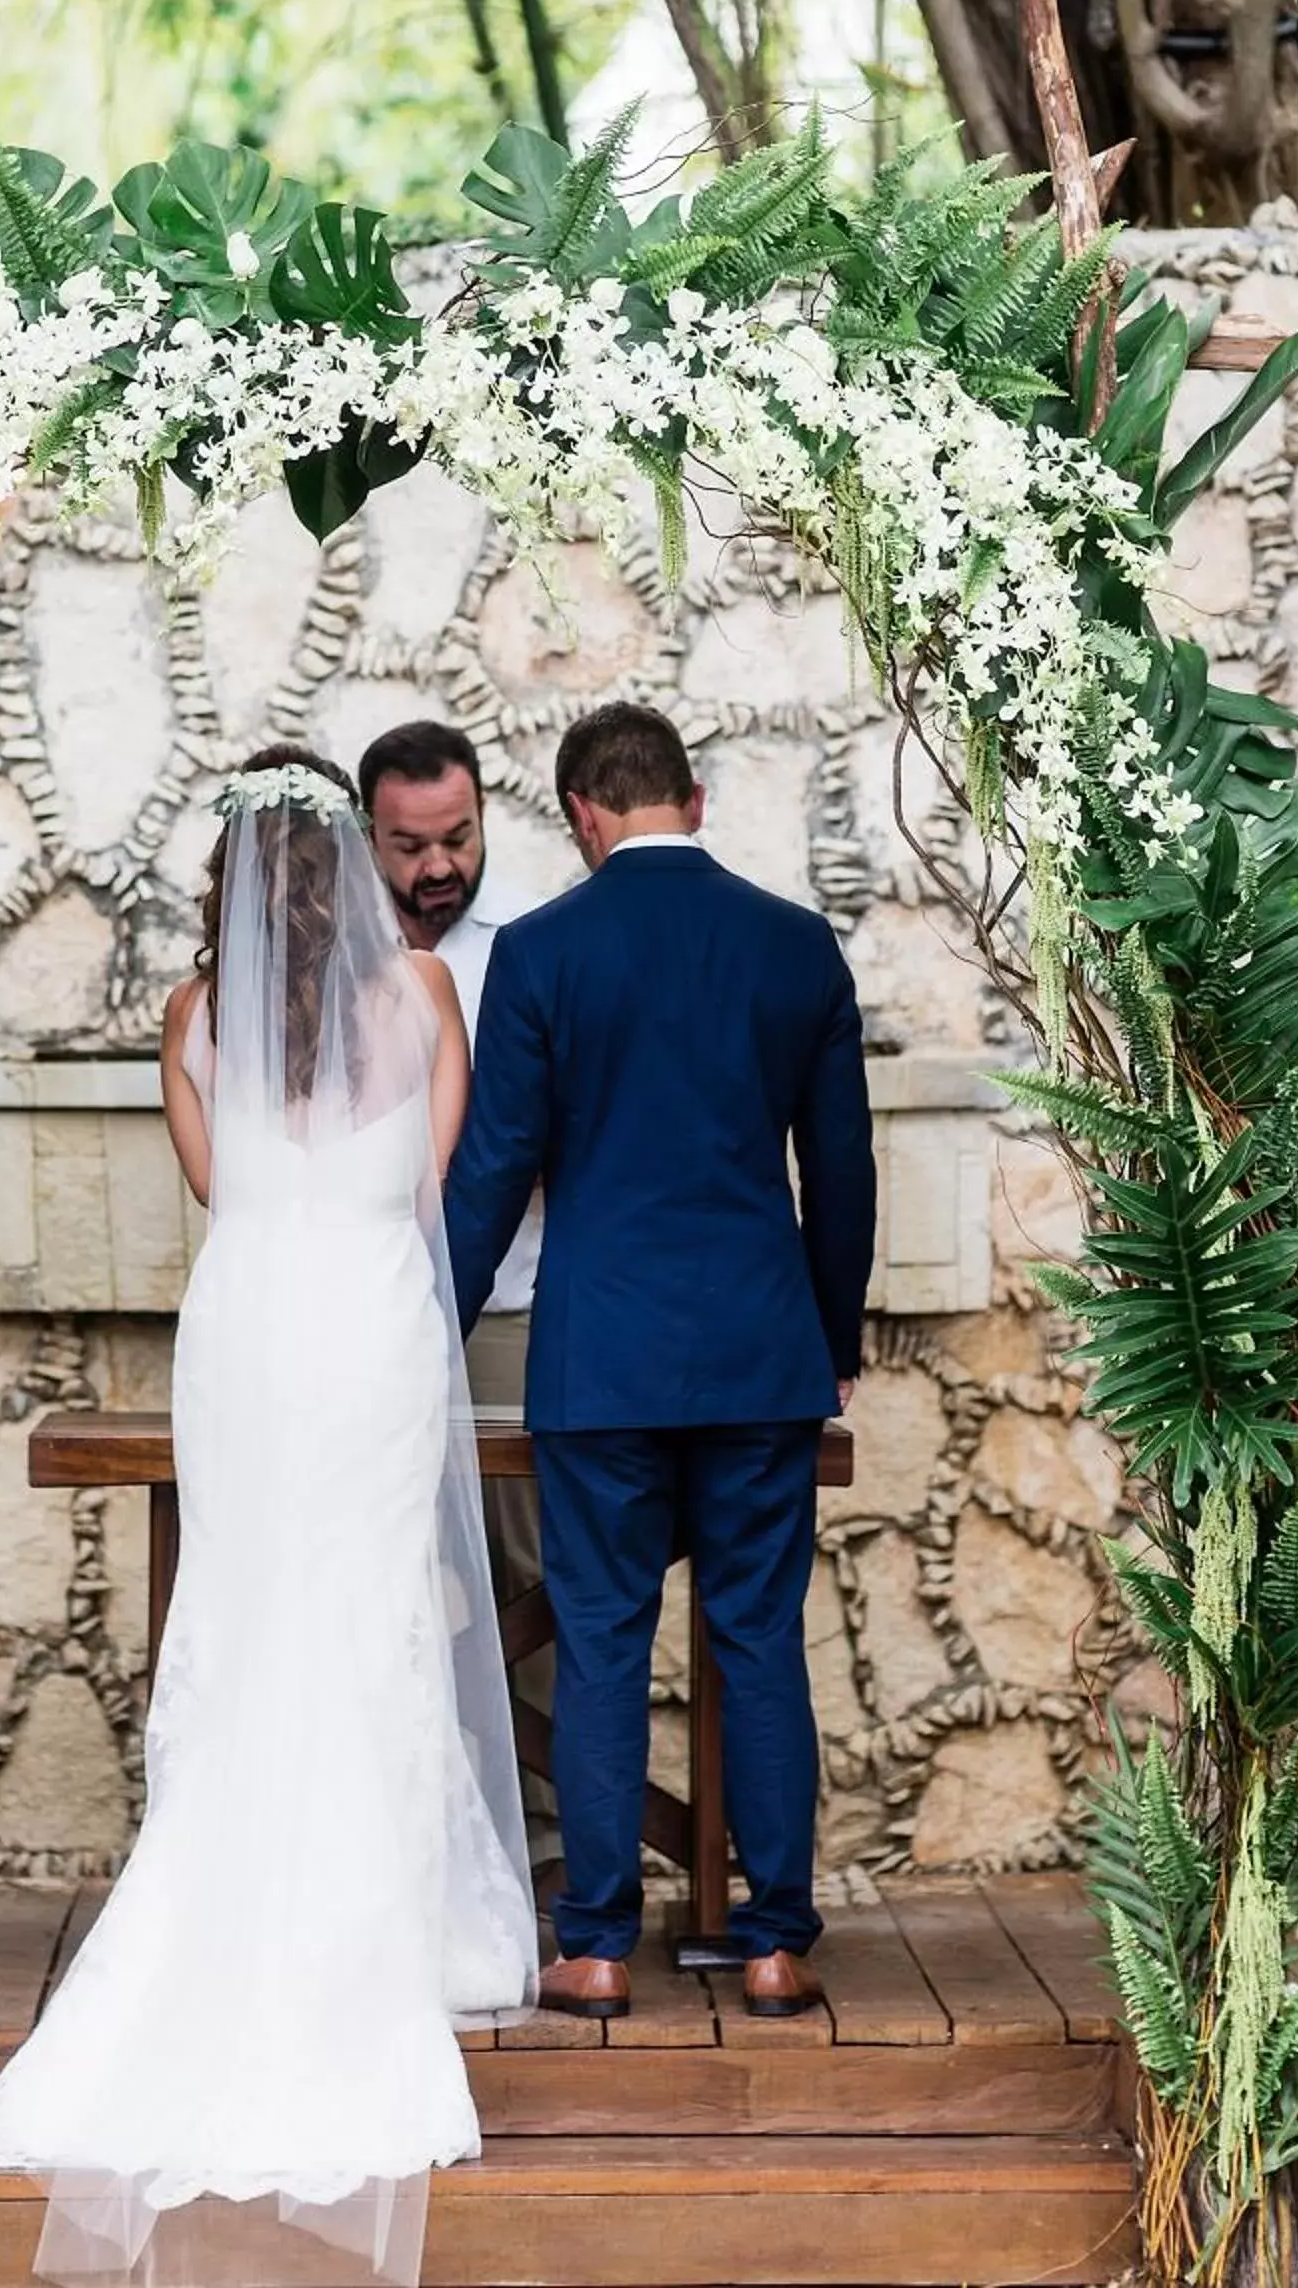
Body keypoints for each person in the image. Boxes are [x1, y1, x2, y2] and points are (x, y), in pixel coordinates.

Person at [0, 748, 536, 2287]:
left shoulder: (192, 1018)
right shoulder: (419, 998)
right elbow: (436, 1172)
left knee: (253, 1605)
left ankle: (219, 1891)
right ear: (351, 870)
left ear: (226, 884)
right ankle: (384, 1931)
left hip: (249, 1331)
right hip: (365, 1327)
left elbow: (216, 1187)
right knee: (370, 1605)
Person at [444, 703, 876, 2026]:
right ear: (689, 797)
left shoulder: (539, 952)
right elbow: (842, 1175)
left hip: (604, 1359)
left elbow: (491, 1172)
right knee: (755, 1642)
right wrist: (832, 1339)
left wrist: (424, 1333)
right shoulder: (796, 949)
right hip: (757, 1355)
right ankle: (771, 1943)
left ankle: (588, 1947)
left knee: (597, 1642)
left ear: (582, 817)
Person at [357, 722, 557, 1881]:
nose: (437, 867)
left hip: (507, 1312)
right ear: (366, 836)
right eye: (409, 845)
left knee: (522, 1586)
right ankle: (398, 1843)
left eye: (458, 838)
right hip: (361, 1318)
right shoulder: (321, 947)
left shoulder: (527, 943)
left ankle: (534, 1845)